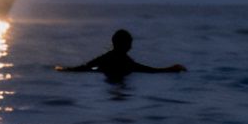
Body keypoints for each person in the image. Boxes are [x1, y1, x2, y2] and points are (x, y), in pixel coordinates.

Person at [55, 30, 185, 80]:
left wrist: (65, 69)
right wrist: (169, 70)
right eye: (129, 43)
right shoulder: (124, 60)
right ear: (123, 44)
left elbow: (85, 67)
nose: (131, 47)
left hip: (101, 73)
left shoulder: (106, 57)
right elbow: (148, 70)